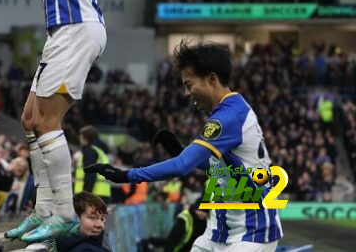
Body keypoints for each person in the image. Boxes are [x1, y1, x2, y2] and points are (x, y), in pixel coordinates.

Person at [2, 0, 132, 243]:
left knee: (47, 122)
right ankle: (42, 209)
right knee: (29, 120)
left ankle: (61, 213)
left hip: (76, 28)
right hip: (67, 30)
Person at [86, 40, 282, 252]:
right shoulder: (232, 110)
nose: (186, 93)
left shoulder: (227, 117)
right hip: (220, 231)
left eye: (189, 85)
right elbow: (223, 168)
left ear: (212, 79)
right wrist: (182, 152)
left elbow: (181, 166)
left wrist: (126, 175)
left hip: (251, 232)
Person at [74, 126, 111, 203]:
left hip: (92, 196)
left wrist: (85, 195)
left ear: (85, 138)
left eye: (81, 137)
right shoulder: (101, 153)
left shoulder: (90, 151)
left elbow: (90, 174)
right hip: (102, 194)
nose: (79, 140)